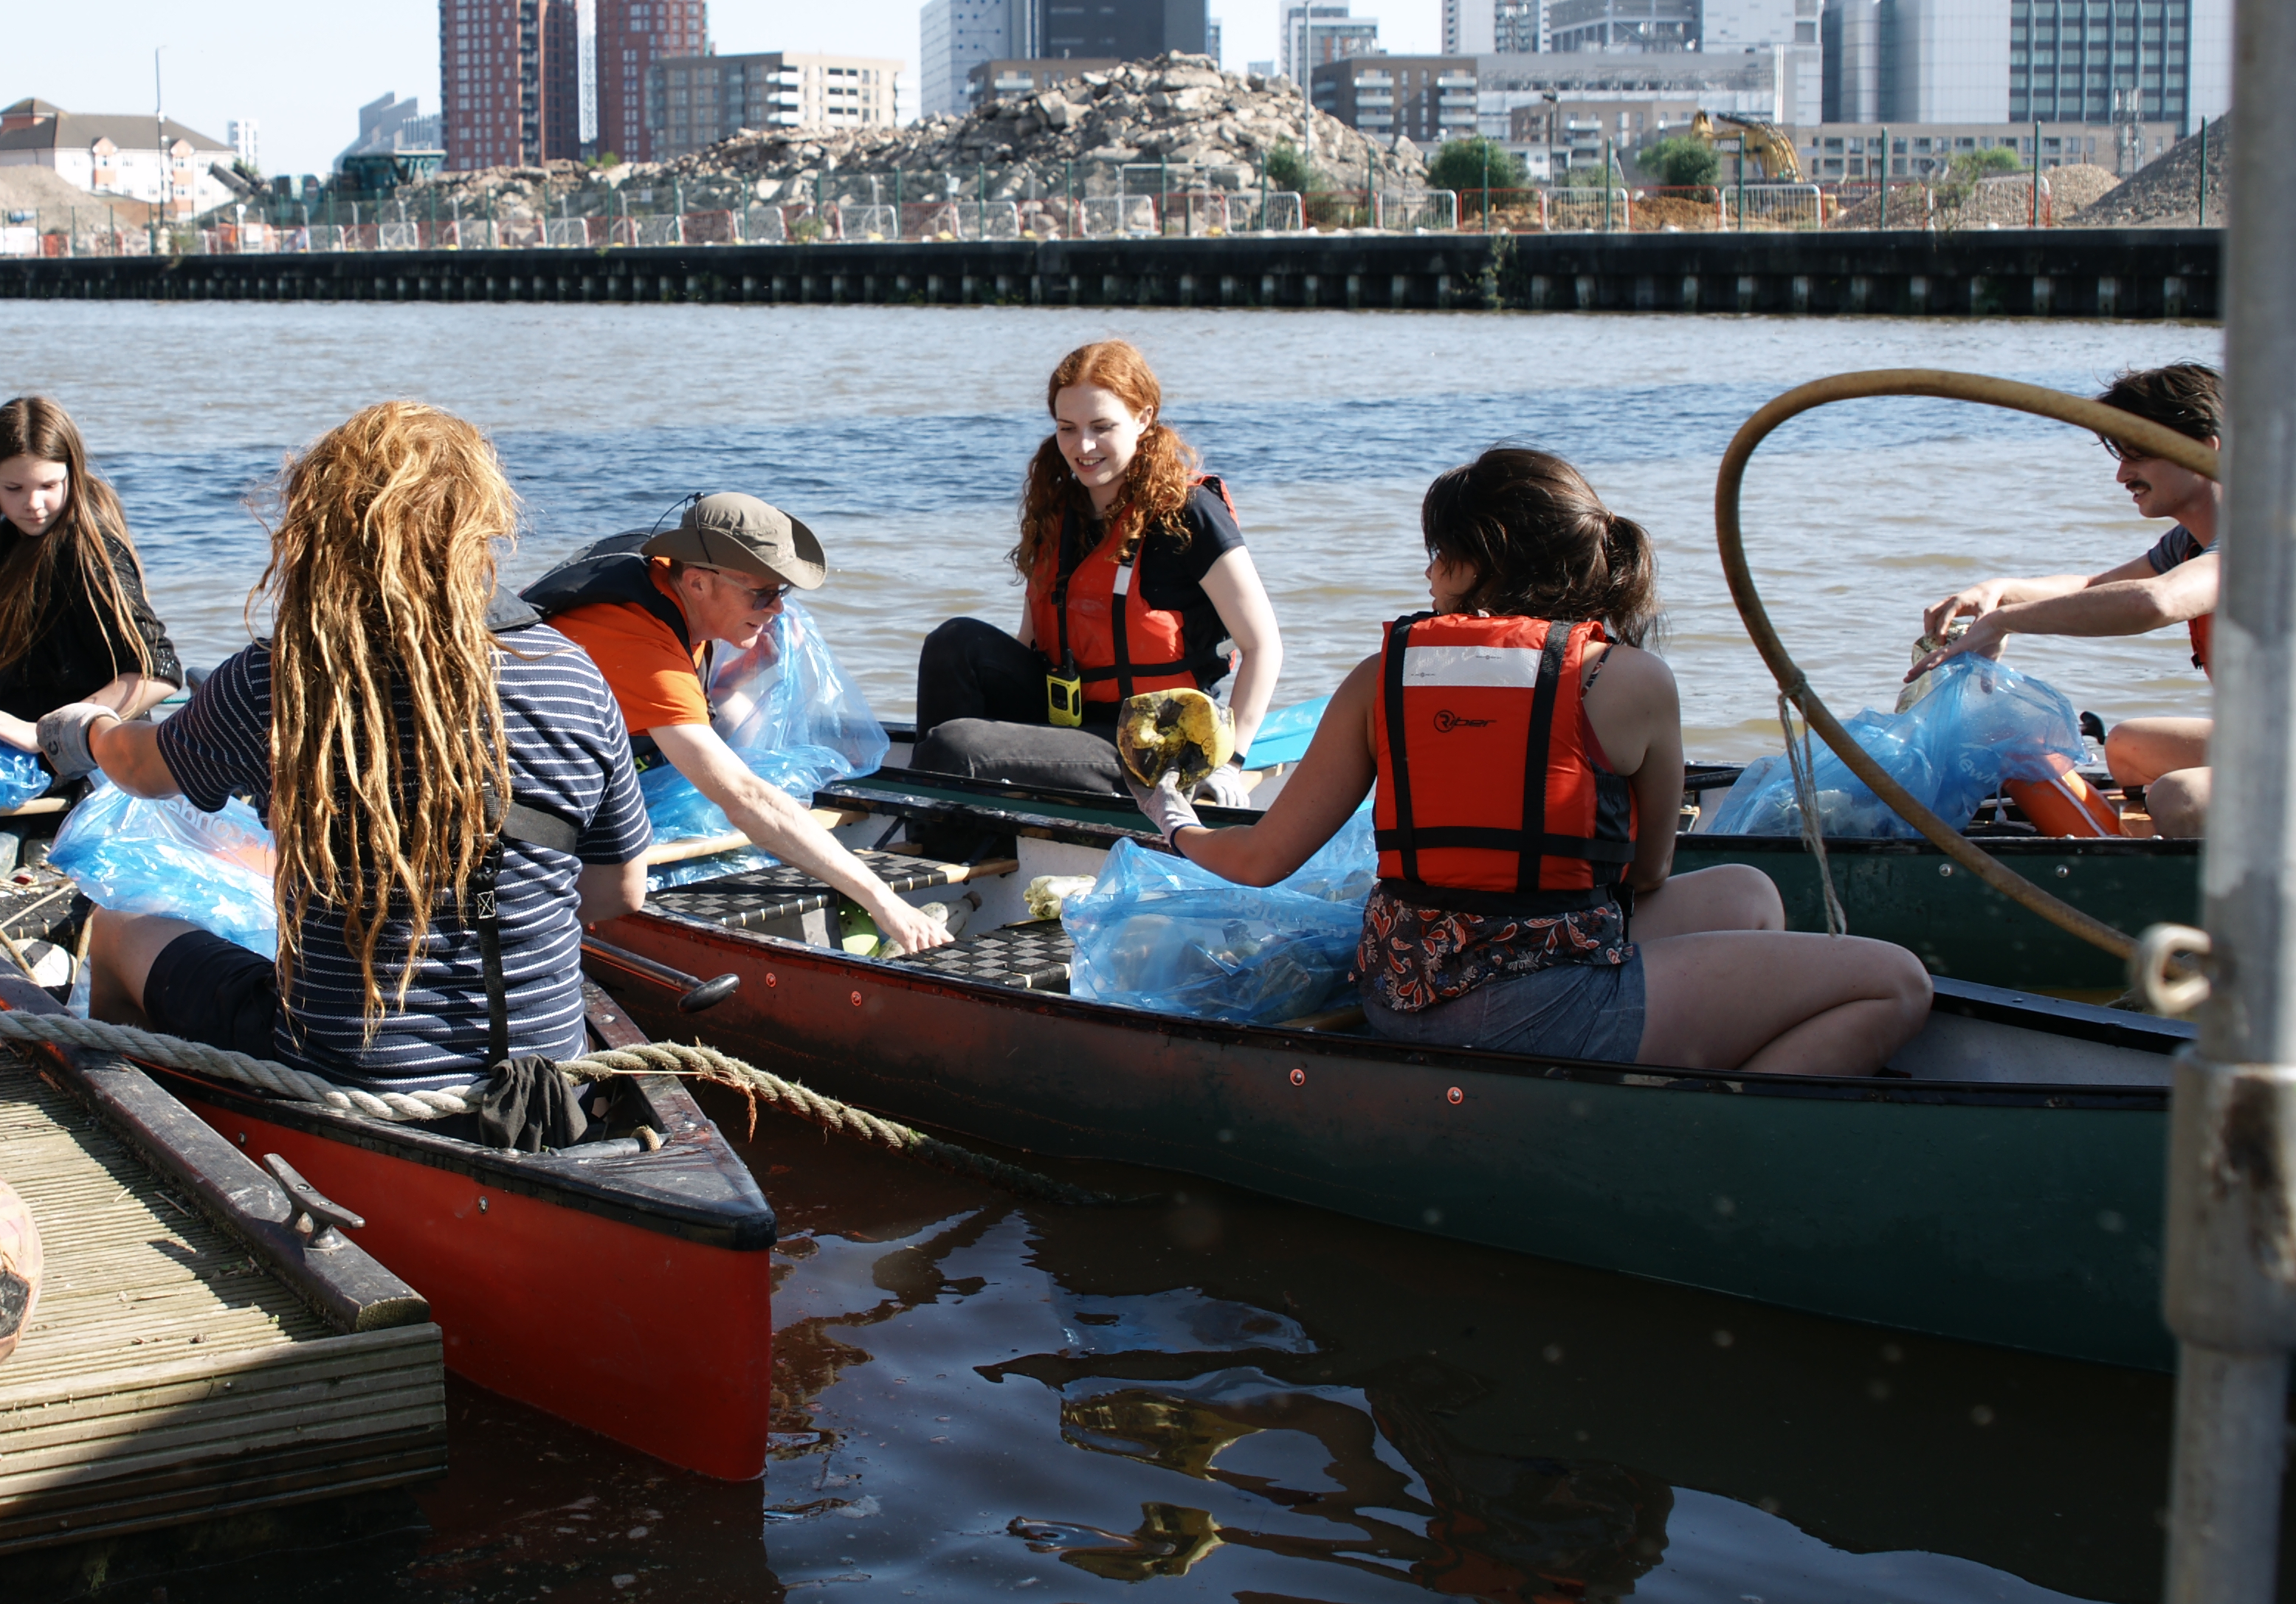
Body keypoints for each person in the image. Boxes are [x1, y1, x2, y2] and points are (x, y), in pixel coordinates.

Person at [1140, 448, 1931, 1076]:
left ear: (1482, 560)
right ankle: (1717, 1139)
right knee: (1899, 982)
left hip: (1401, 993)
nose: (1426, 573)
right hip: (1544, 1010)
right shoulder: (1631, 679)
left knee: (1751, 896)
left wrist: (1174, 820)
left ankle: (1658, 1074)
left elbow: (1261, 858)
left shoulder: (1384, 673)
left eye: (1439, 552)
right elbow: (1646, 875)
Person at [44, 402, 652, 1109]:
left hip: (352, 1080)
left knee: (118, 932)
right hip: (543, 1078)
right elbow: (618, 893)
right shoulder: (572, 673)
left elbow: (139, 770)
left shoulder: (282, 678)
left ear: (324, 533)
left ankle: (155, 1133)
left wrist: (87, 728)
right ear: (480, 528)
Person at [523, 492, 954, 954]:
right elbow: (745, 798)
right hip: (522, 789)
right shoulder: (641, 647)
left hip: (601, 735)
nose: (776, 608)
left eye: (781, 591)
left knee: (783, 639)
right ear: (698, 583)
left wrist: (740, 660)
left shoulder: (671, 574)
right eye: (763, 593)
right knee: (635, 883)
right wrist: (882, 900)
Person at [913, 339, 1282, 798]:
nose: (1082, 447)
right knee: (954, 642)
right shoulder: (1057, 511)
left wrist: (1229, 764)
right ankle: (952, 795)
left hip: (1155, 740)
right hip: (1070, 718)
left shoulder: (1189, 513)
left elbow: (1263, 646)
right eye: (1067, 428)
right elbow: (1031, 646)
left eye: (1102, 427)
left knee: (956, 748)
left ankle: (946, 811)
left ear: (1143, 419)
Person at [1917, 362, 2221, 837]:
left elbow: (2155, 601)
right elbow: (2093, 587)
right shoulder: (2189, 544)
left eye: (2137, 455)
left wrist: (2006, 622)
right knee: (2125, 748)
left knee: (2177, 795)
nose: (2122, 475)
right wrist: (1998, 591)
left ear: (2204, 451)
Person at [0, 395, 182, 752]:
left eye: (49, 486)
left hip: (79, 758)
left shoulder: (89, 555)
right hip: (15, 732)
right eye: (14, 489)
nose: (33, 505)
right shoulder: (12, 538)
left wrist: (42, 732)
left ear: (72, 473)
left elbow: (158, 671)